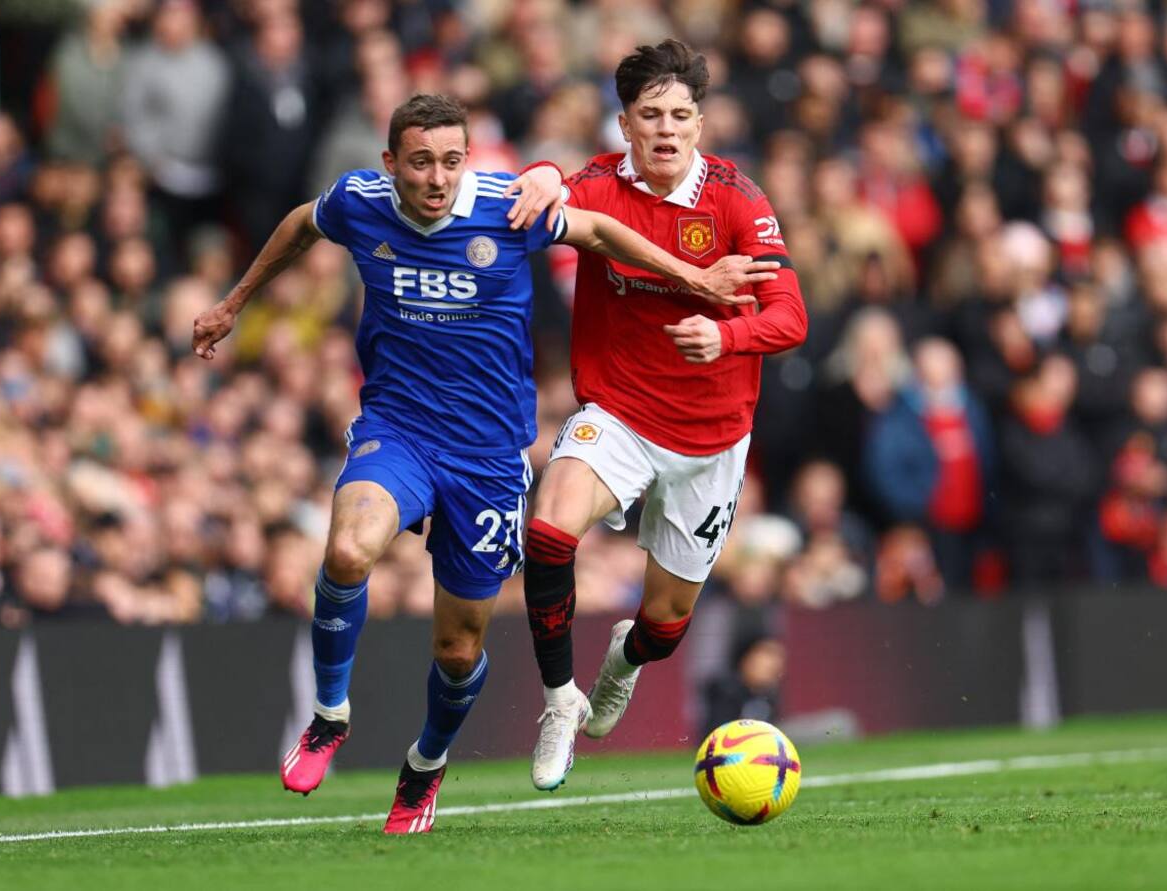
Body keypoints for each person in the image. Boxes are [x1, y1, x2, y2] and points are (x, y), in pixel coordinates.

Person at [191, 93, 776, 834]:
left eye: (450, 161)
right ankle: (329, 715)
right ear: (390, 164)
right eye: (420, 162)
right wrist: (234, 302)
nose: (437, 178)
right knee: (347, 549)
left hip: (489, 457)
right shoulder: (359, 202)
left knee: (458, 645)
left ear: (467, 160)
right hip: (398, 429)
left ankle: (425, 766)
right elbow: (303, 223)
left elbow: (597, 229)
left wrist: (694, 280)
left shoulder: (507, 209)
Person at [504, 40, 809, 791]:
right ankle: (558, 700)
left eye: (679, 115)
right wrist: (541, 171)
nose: (665, 129)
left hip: (711, 438)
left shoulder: (737, 200)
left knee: (665, 626)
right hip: (620, 414)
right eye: (650, 115)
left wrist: (727, 336)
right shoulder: (599, 187)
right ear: (625, 124)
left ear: (700, 123)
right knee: (548, 532)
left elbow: (791, 316)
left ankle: (625, 658)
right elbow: (551, 185)